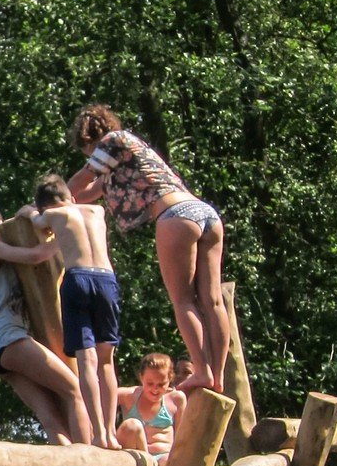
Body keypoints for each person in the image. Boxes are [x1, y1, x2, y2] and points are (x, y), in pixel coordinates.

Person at [66, 104, 228, 394]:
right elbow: (88, 194)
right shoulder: (129, 157)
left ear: (90, 140)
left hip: (175, 217)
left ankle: (203, 370)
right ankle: (218, 375)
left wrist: (50, 201)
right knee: (213, 301)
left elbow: (80, 182)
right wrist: (67, 202)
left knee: (183, 301)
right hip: (205, 213)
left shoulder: (111, 141)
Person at [0, 206, 89, 445]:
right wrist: (68, 234)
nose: (4, 235)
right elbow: (35, 255)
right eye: (0, 228)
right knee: (75, 391)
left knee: (50, 417)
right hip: (9, 340)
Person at [21, 175, 121, 449]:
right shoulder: (97, 211)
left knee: (86, 361)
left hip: (77, 279)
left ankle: (99, 433)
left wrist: (30, 213)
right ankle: (112, 433)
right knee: (106, 362)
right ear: (71, 197)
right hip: (106, 279)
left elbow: (38, 224)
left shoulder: (53, 214)